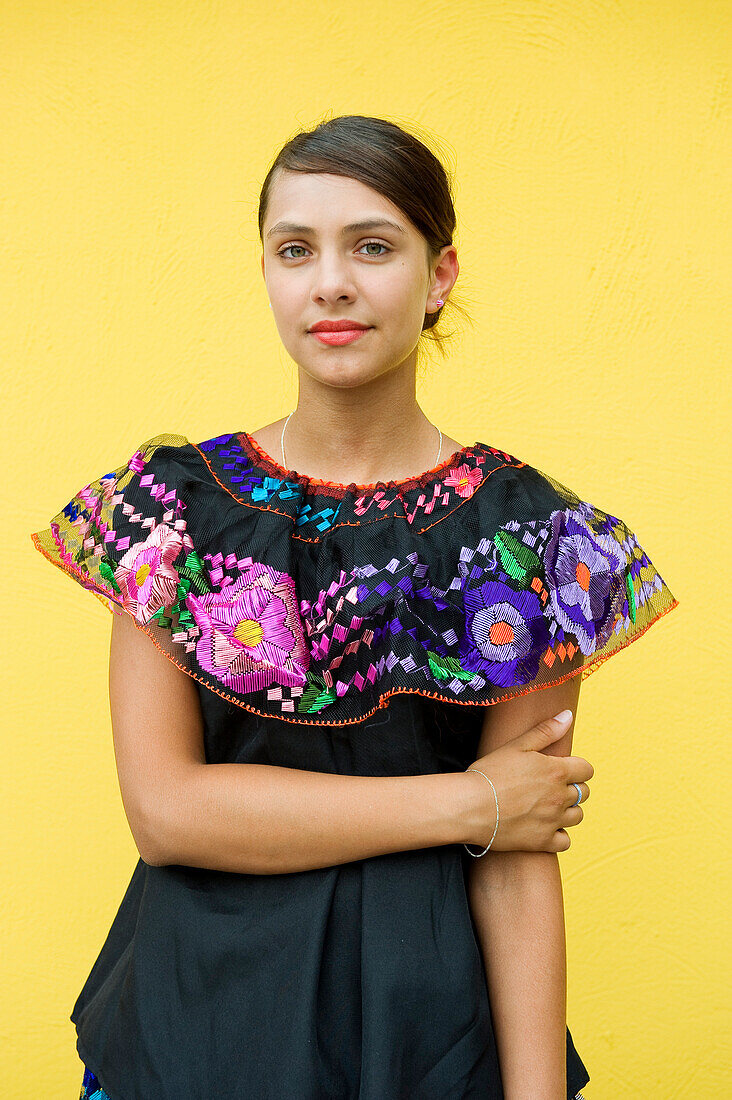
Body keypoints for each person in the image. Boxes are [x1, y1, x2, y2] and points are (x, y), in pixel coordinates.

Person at [31, 114, 678, 1100]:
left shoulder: (526, 541)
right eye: (296, 249)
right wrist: (472, 801)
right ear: (267, 273)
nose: (330, 282)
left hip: (425, 1038)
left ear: (441, 274)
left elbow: (518, 856)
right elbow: (166, 811)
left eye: (372, 246)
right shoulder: (170, 513)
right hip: (189, 1027)